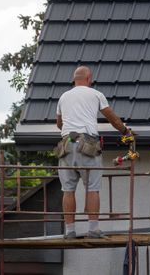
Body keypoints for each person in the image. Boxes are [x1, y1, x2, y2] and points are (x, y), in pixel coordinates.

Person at [56, 65, 131, 239]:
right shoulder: (96, 94)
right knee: (92, 188)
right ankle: (93, 229)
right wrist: (125, 131)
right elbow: (111, 117)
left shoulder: (64, 97)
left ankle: (70, 231)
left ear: (75, 79)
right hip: (87, 144)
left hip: (66, 144)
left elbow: (59, 123)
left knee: (67, 190)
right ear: (89, 78)